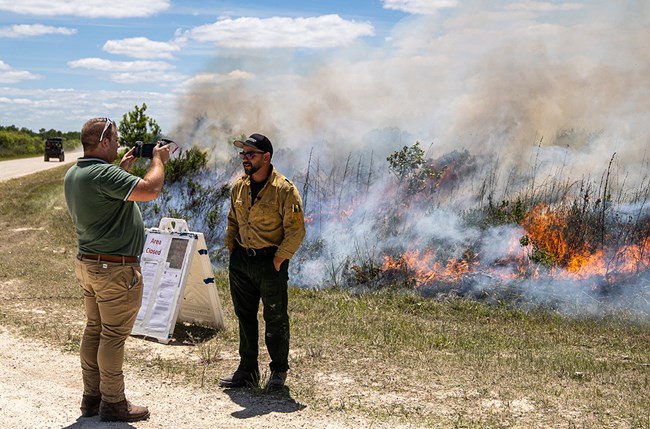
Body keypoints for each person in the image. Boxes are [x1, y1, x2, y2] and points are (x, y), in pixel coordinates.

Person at [64, 117, 170, 422]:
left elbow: (104, 201)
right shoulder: (101, 174)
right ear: (104, 142)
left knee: (95, 330)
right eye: (115, 138)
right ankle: (113, 402)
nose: (119, 143)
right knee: (112, 336)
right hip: (114, 270)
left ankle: (92, 398)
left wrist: (121, 172)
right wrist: (158, 160)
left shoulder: (76, 173)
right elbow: (150, 189)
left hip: (90, 264)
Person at [220, 133, 306, 390]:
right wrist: (231, 248)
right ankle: (247, 370)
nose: (244, 159)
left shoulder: (284, 189)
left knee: (275, 318)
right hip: (241, 261)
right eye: (243, 154)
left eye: (250, 154)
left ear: (266, 157)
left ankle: (278, 372)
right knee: (244, 316)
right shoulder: (239, 186)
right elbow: (233, 220)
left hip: (270, 262)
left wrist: (279, 260)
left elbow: (296, 230)